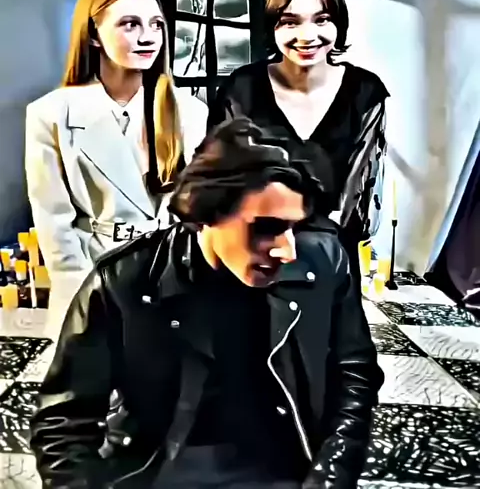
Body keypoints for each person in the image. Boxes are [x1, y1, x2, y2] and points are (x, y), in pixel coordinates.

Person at [30, 118, 384, 489]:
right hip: (156, 472)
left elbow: (355, 376)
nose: (287, 250)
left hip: (285, 467)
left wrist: (329, 479)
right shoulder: (125, 282)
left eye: (295, 227)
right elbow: (63, 423)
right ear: (206, 214)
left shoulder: (324, 262)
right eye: (266, 228)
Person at [25, 0, 208, 330]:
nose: (148, 37)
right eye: (130, 24)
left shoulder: (189, 112)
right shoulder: (52, 114)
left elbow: (199, 214)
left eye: (156, 25)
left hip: (172, 277)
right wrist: (84, 300)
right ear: (94, 34)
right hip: (95, 276)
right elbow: (54, 224)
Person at [210, 0, 390, 281]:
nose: (307, 36)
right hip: (251, 265)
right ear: (272, 26)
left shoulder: (366, 93)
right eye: (290, 22)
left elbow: (358, 205)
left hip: (332, 265)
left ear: (339, 22)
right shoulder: (240, 90)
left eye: (322, 20)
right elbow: (221, 191)